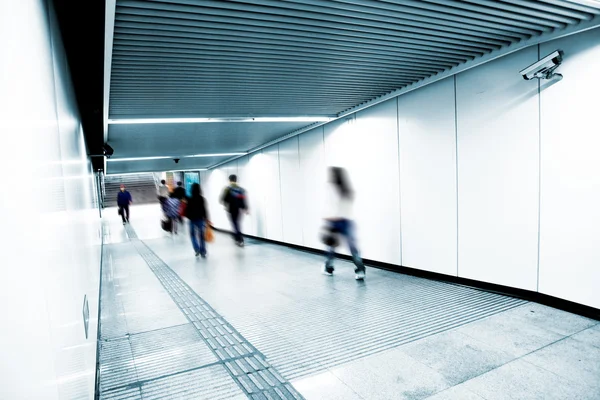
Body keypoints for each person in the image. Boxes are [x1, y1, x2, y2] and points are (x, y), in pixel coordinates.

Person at [322, 167, 365, 280]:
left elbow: (330, 205)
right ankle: (360, 271)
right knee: (353, 247)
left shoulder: (330, 187)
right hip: (348, 221)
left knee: (331, 247)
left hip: (334, 222)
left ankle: (328, 268)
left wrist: (327, 217)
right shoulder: (347, 189)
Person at [220, 174, 248, 247]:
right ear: (236, 180)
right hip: (239, 209)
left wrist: (226, 203)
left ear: (229, 180)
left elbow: (222, 199)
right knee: (236, 223)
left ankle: (239, 238)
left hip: (231, 208)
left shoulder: (227, 189)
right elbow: (243, 199)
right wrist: (245, 208)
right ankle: (236, 237)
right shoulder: (241, 189)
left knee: (235, 223)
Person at [186, 183, 210, 257]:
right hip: (200, 219)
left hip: (192, 219)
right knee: (202, 236)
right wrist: (207, 219)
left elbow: (187, 210)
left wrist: (189, 217)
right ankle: (203, 251)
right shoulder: (202, 199)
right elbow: (204, 210)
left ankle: (197, 249)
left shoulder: (190, 199)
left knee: (193, 235)